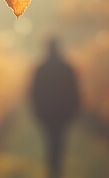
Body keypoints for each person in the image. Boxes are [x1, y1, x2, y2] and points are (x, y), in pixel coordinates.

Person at [29, 38, 80, 178]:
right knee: (59, 140)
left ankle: (52, 168)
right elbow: (75, 91)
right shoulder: (67, 68)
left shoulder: (41, 69)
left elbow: (34, 93)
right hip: (63, 113)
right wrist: (74, 111)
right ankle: (57, 169)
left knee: (50, 140)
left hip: (47, 114)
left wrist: (37, 112)